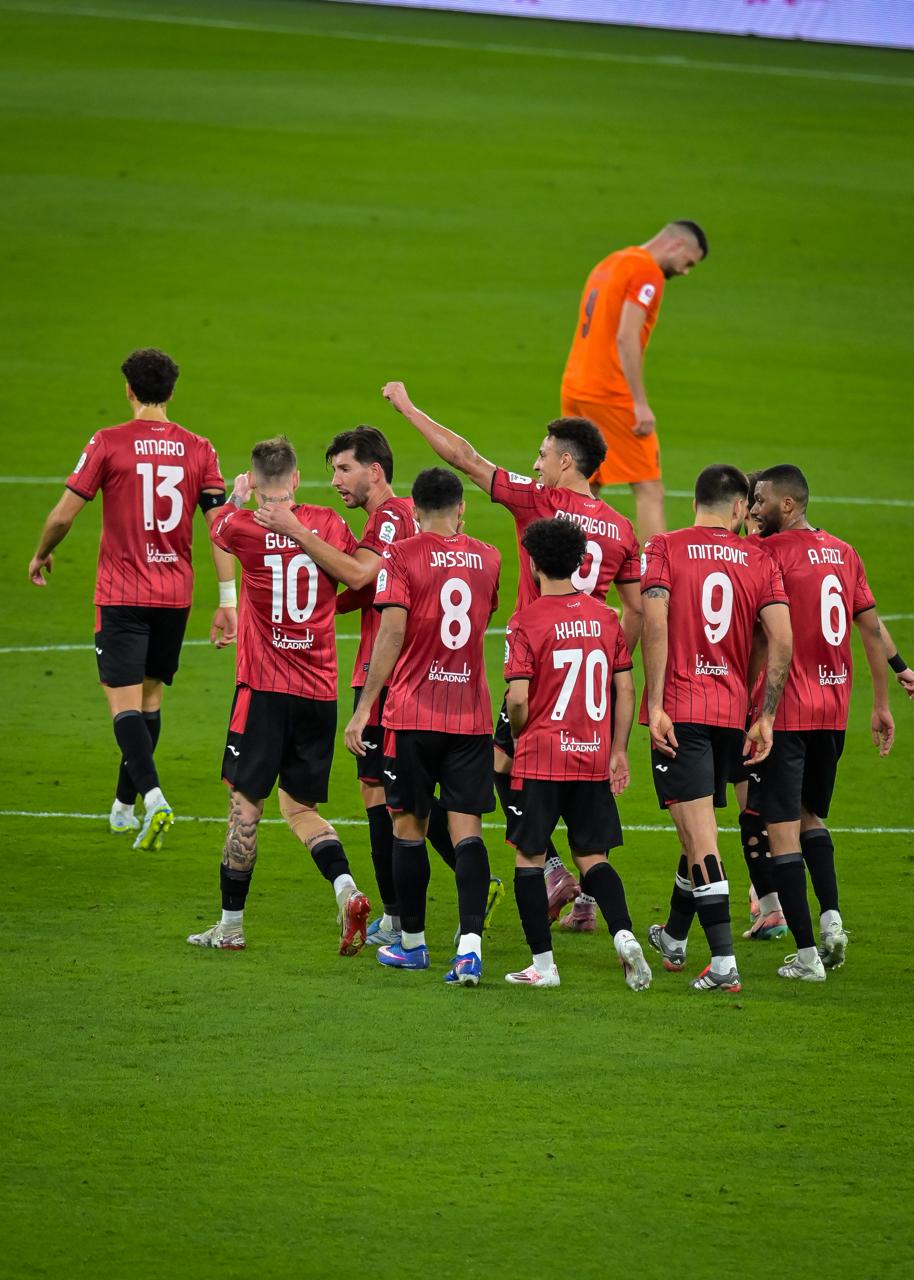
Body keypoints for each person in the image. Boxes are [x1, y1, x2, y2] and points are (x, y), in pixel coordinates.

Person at [379, 380, 641, 930]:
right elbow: (637, 610)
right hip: (591, 674)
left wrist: (408, 407)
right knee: (583, 784)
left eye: (543, 455)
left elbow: (464, 457)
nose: (536, 464)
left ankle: (551, 873)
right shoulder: (621, 529)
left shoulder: (541, 501)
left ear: (567, 461)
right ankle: (588, 901)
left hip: (539, 666)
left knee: (505, 766)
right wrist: (611, 662)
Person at [27, 348, 237, 850]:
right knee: (150, 700)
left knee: (123, 705)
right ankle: (123, 808)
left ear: (128, 389)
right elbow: (221, 529)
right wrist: (228, 599)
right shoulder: (200, 449)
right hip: (174, 596)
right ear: (171, 392)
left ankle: (154, 798)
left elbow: (62, 516)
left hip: (122, 594)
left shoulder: (108, 442)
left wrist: (41, 553)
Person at [186, 437, 371, 955]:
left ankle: (230, 926)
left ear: (254, 478)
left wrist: (238, 496)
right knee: (300, 808)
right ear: (295, 479)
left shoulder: (240, 527)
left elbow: (217, 525)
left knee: (245, 812)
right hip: (319, 693)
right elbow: (357, 576)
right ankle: (346, 888)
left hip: (263, 693)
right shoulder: (328, 524)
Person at [252, 425, 420, 947]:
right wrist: (318, 601)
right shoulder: (398, 517)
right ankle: (416, 904)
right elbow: (361, 590)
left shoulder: (389, 516)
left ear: (375, 471)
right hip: (412, 670)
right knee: (400, 795)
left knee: (383, 795)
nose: (336, 481)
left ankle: (399, 917)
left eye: (345, 469)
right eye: (332, 471)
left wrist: (296, 532)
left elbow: (360, 576)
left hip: (387, 672)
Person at [344, 467, 501, 987]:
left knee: (408, 828)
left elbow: (390, 634)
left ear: (413, 511)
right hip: (471, 715)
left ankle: (412, 945)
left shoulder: (400, 555)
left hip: (412, 714)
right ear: (462, 508)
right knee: (466, 830)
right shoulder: (490, 557)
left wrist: (364, 708)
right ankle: (470, 949)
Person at [642, 464, 793, 993]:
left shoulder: (664, 547)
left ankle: (724, 962)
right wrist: (764, 713)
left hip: (680, 712)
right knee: (695, 830)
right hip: (730, 714)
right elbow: (779, 639)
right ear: (738, 507)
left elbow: (655, 622)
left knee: (701, 837)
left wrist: (655, 705)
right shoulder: (760, 558)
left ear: (695, 502)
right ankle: (675, 936)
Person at [747, 465, 895, 980]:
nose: (754, 509)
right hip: (833, 712)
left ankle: (808, 957)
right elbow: (871, 629)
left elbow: (758, 632)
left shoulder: (768, 553)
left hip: (785, 713)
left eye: (761, 500)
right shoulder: (844, 552)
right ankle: (832, 921)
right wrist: (881, 703)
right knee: (812, 816)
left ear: (787, 505)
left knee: (781, 830)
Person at [502, 518, 651, 991]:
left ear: (533, 563)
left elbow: (518, 699)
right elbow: (626, 689)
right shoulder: (606, 618)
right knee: (592, 856)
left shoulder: (526, 621)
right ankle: (624, 934)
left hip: (541, 757)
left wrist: (520, 731)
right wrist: (618, 749)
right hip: (591, 755)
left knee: (529, 859)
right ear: (580, 562)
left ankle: (543, 966)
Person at [561, 221, 709, 542]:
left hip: (576, 385)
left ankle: (565, 566)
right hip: (610, 392)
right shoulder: (647, 271)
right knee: (649, 489)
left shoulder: (610, 262)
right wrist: (639, 403)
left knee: (585, 487)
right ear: (676, 245)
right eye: (688, 263)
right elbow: (626, 336)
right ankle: (656, 571)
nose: (685, 271)